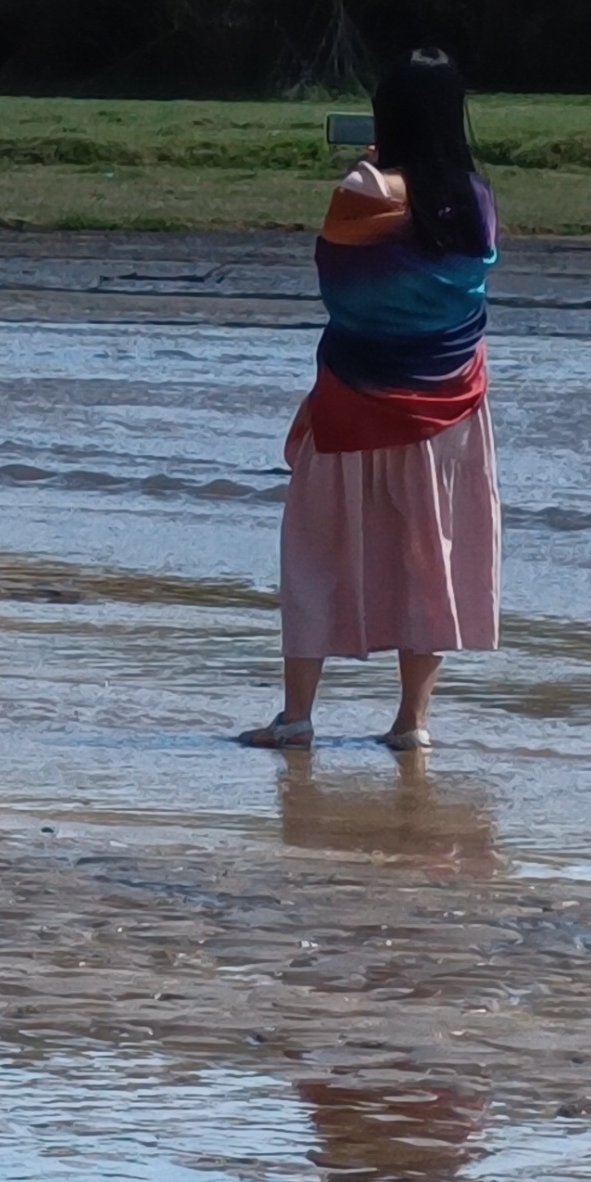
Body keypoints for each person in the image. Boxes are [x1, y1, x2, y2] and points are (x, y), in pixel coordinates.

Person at [240, 47, 501, 750]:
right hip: (449, 410)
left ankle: (296, 717)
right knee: (429, 555)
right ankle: (410, 723)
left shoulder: (365, 188)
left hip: (354, 402)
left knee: (314, 551)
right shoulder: (475, 202)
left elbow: (338, 279)